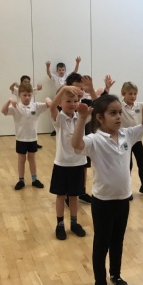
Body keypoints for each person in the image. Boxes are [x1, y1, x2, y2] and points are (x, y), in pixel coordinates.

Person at [71, 83, 143, 285]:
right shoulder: (95, 139)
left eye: (119, 112)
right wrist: (82, 119)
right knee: (102, 243)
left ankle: (115, 276)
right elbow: (76, 145)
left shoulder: (126, 135)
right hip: (103, 202)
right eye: (113, 113)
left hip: (124, 200)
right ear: (100, 117)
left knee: (118, 241)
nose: (118, 117)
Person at [49, 84, 95, 240]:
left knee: (74, 196)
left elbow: (97, 108)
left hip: (78, 163)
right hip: (62, 164)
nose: (73, 104)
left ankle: (74, 223)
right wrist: (63, 89)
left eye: (75, 101)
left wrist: (91, 91)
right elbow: (52, 106)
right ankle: (60, 224)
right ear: (61, 103)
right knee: (61, 195)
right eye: (68, 101)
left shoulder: (81, 116)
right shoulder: (59, 118)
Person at [1, 83, 49, 190]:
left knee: (32, 158)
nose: (27, 97)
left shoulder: (36, 106)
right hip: (21, 138)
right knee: (21, 159)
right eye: (24, 95)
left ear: (32, 95)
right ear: (19, 95)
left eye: (29, 95)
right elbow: (3, 111)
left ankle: (34, 179)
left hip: (32, 138)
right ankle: (21, 180)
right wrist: (9, 100)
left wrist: (48, 99)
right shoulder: (15, 107)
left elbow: (49, 105)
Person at [46, 57, 81, 136]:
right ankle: (56, 129)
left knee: (70, 112)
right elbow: (49, 74)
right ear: (57, 71)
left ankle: (71, 127)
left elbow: (75, 72)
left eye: (63, 70)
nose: (61, 71)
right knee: (57, 114)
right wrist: (48, 67)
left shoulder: (67, 76)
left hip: (68, 96)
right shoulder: (55, 77)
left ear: (65, 70)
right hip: (59, 97)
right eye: (59, 70)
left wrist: (77, 63)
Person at [9, 75, 43, 149]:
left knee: (32, 126)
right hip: (20, 110)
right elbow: (10, 88)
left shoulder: (31, 89)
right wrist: (15, 83)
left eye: (28, 82)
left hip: (31, 109)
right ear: (21, 82)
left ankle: (33, 142)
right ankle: (21, 142)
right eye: (25, 82)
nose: (27, 83)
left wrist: (40, 86)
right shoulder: (18, 90)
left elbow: (39, 88)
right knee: (22, 128)